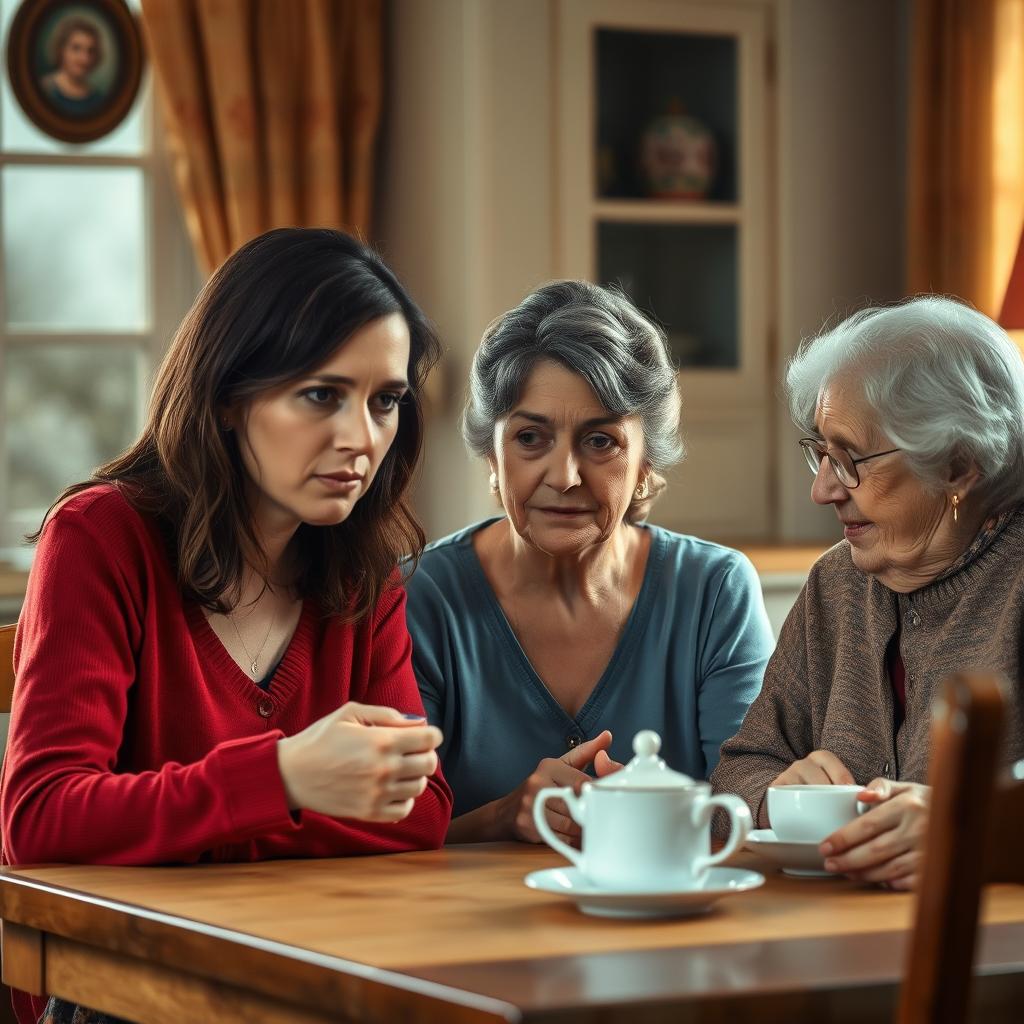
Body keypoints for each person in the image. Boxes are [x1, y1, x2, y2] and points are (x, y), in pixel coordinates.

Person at [2, 228, 453, 1024]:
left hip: (308, 973)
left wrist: (194, 822)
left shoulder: (364, 574)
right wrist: (283, 780)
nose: (360, 438)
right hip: (123, 989)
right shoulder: (100, 538)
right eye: (322, 395)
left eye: (384, 401)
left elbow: (418, 813)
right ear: (229, 397)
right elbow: (39, 821)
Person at [404, 280, 774, 845]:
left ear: (647, 458)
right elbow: (387, 830)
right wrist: (504, 818)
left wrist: (661, 814)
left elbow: (748, 806)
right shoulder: (420, 594)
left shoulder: (714, 590)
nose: (565, 476)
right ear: (491, 455)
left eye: (600, 442)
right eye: (531, 437)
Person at [711, 295, 1024, 890]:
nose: (824, 489)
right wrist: (777, 800)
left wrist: (969, 828)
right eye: (821, 455)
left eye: (851, 459)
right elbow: (739, 769)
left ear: (958, 465)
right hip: (841, 941)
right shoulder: (839, 583)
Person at [40, 18, 105, 116]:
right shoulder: (44, 89)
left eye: (90, 51)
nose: (84, 58)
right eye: (76, 48)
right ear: (61, 50)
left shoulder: (98, 99)